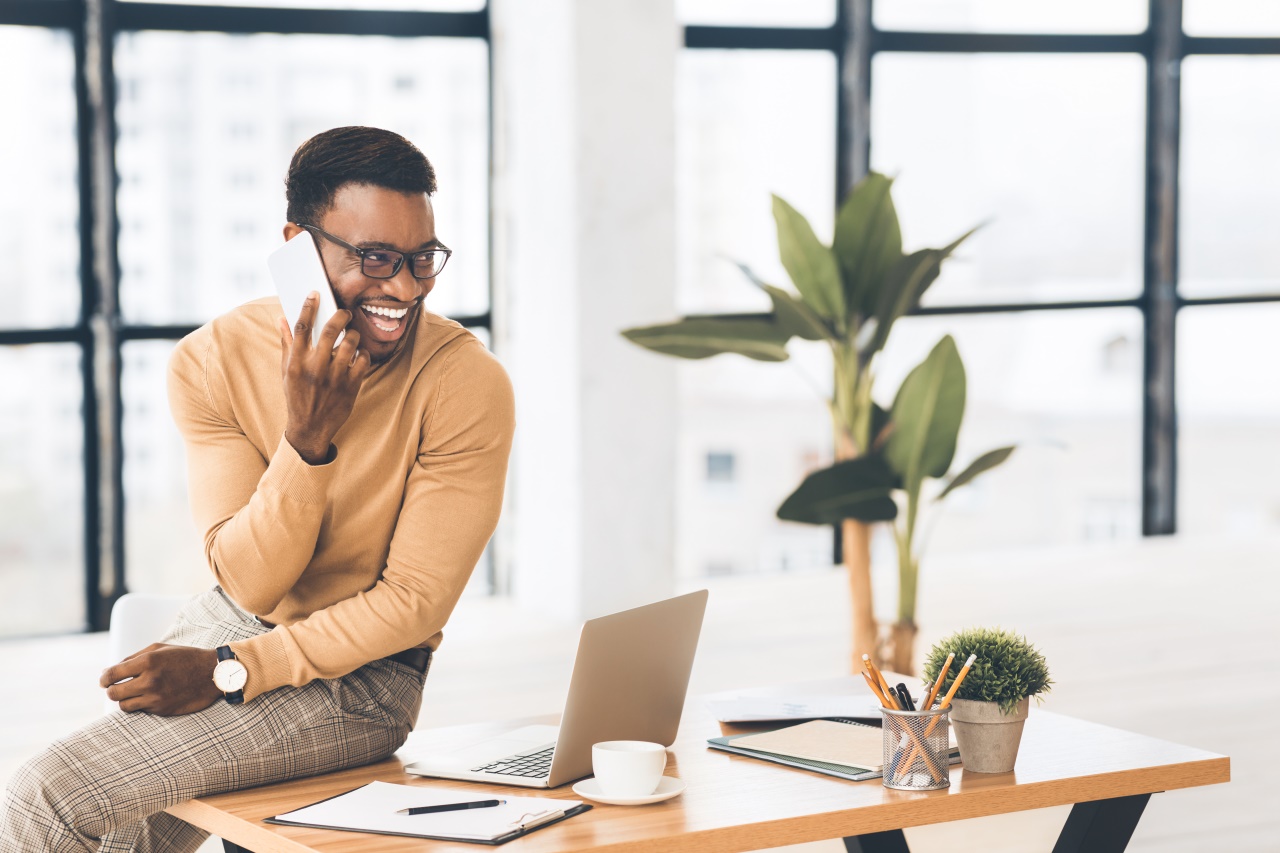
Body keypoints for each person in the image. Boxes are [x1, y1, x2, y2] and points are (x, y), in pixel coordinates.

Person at [0, 126, 515, 852]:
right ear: (297, 244)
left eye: (421, 259)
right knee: (109, 833)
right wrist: (307, 444)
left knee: (46, 795)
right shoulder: (210, 361)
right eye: (374, 258)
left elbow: (413, 603)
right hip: (236, 621)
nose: (403, 288)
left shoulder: (465, 382)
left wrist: (233, 670)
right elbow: (250, 582)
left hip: (368, 682)